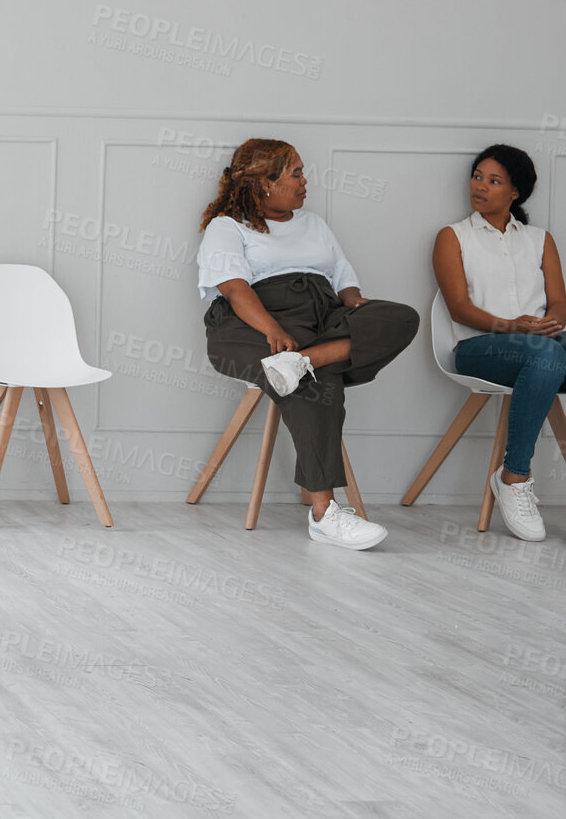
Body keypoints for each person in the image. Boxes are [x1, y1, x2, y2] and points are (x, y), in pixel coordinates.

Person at [196, 138, 419, 549]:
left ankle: (303, 360)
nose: (305, 181)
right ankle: (324, 514)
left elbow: (344, 280)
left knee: (403, 316)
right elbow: (235, 289)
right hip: (248, 324)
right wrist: (273, 332)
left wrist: (357, 307)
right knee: (314, 383)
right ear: (265, 182)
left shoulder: (314, 223)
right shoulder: (226, 226)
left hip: (319, 319)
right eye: (296, 173)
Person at [432, 144, 566, 542]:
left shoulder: (540, 239)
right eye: (477, 177)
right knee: (547, 355)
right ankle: (513, 477)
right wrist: (513, 327)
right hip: (478, 348)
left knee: (548, 354)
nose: (480, 186)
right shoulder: (452, 236)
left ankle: (546, 351)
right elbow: (458, 308)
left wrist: (549, 324)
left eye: (494, 181)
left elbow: (559, 300)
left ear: (515, 193)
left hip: (543, 344)